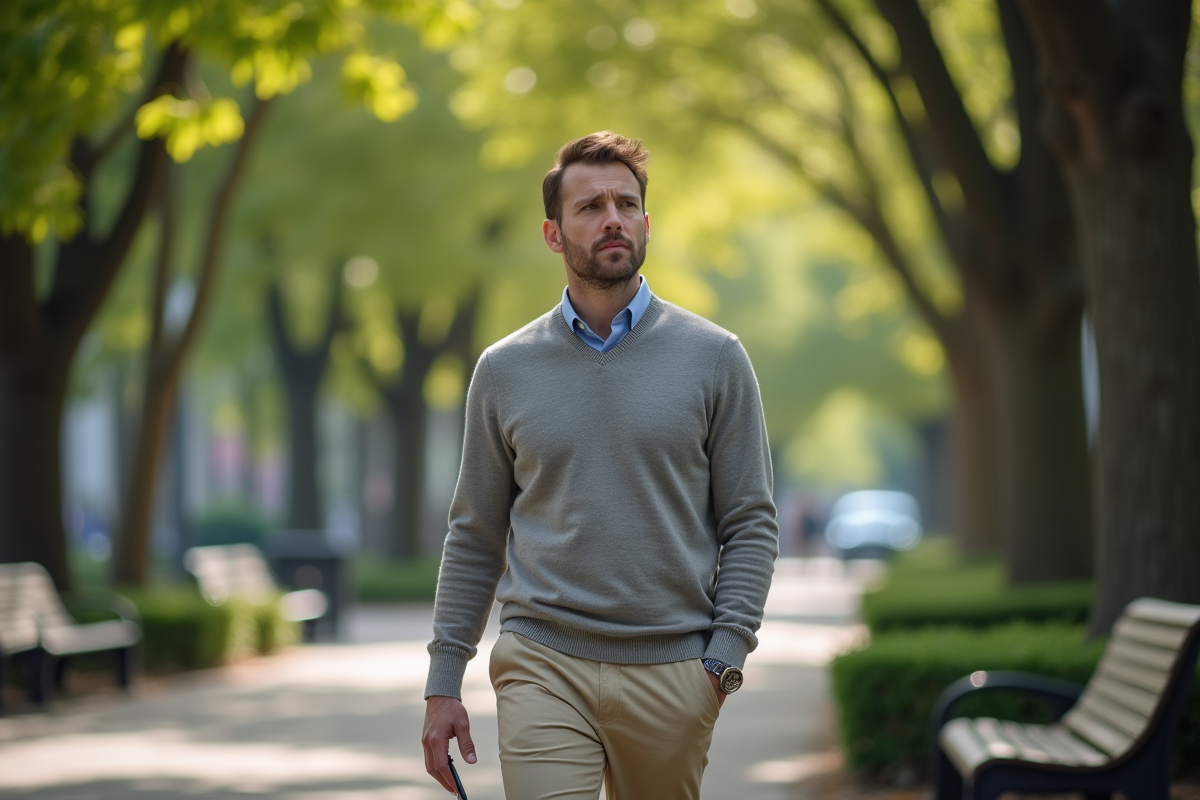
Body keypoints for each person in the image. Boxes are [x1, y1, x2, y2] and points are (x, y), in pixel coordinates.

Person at [420, 131, 779, 800]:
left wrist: (723, 662)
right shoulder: (504, 369)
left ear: (646, 221)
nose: (613, 218)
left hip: (674, 672)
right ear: (554, 234)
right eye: (590, 206)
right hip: (542, 662)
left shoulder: (716, 358)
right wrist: (444, 684)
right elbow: (474, 535)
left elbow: (751, 522)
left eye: (627, 203)